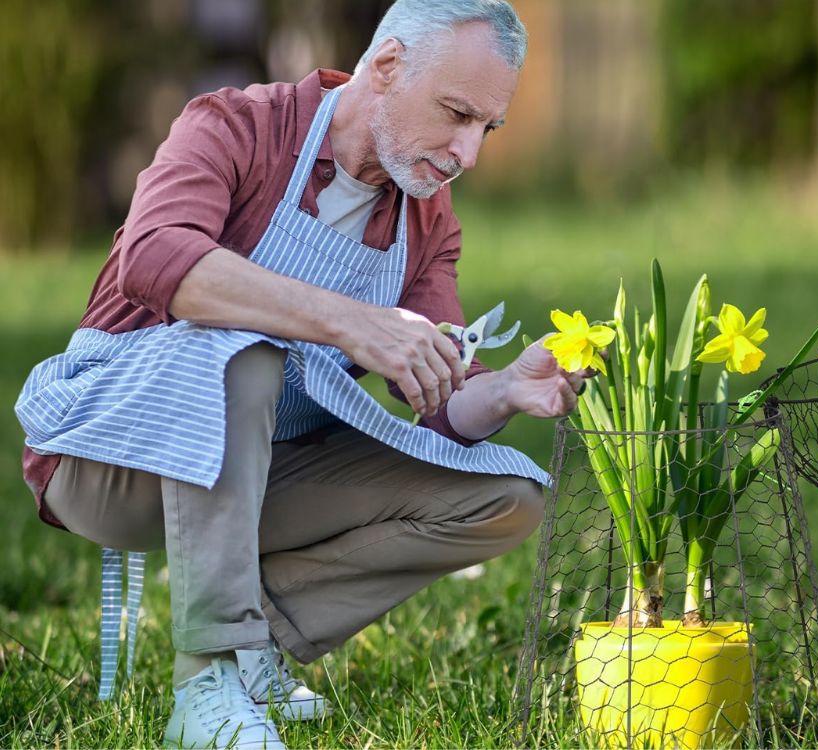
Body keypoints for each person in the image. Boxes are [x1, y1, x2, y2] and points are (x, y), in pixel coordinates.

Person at [15, 1, 589, 748]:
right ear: (385, 67)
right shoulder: (236, 126)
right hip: (111, 457)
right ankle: (207, 681)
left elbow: (440, 405)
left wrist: (505, 387)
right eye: (456, 113)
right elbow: (155, 258)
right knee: (243, 350)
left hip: (267, 476)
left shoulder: (425, 217)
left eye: (487, 127)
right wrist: (352, 321)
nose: (467, 153)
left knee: (505, 496)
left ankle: (252, 645)